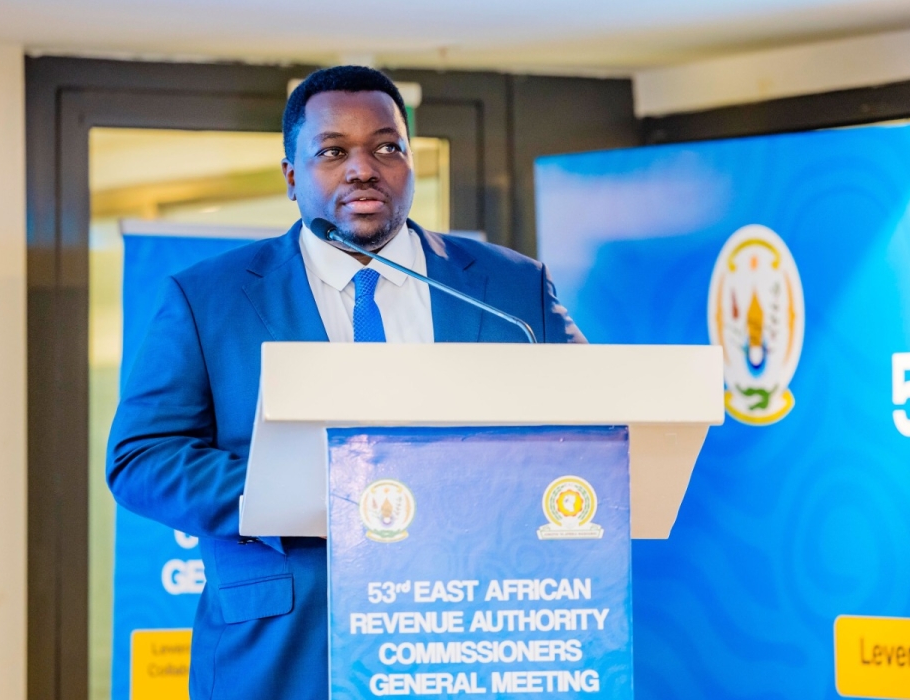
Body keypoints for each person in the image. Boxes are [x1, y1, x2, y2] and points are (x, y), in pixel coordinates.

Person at [107, 65, 585, 700]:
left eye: (387, 147)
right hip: (286, 644)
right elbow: (141, 459)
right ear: (291, 175)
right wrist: (310, 491)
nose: (364, 168)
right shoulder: (207, 299)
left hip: (479, 629)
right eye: (333, 151)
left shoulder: (510, 287)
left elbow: (595, 420)